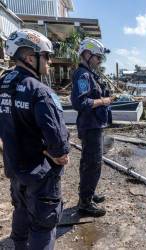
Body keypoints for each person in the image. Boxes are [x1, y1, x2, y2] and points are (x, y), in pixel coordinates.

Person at [0, 29, 70, 249]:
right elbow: (59, 144)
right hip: (39, 174)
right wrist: (58, 154)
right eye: (46, 56)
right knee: (42, 226)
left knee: (20, 213)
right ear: (30, 58)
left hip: (15, 169)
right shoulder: (40, 91)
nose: (49, 62)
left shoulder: (3, 84)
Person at [71, 38, 114, 217]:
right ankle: (85, 203)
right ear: (87, 54)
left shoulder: (90, 74)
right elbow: (80, 102)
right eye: (97, 57)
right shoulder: (83, 75)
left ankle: (88, 193)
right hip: (90, 126)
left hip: (95, 125)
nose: (99, 61)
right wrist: (104, 101)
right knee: (92, 164)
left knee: (90, 163)